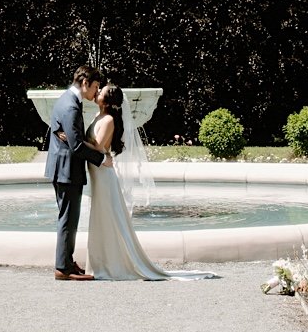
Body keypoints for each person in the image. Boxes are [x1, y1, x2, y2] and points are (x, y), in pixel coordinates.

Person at [83, 83, 217, 281]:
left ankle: (111, 264)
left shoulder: (109, 119)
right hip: (97, 172)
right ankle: (100, 262)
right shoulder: (98, 116)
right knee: (101, 219)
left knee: (109, 219)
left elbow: (99, 146)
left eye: (101, 91)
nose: (98, 92)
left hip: (103, 176)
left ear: (108, 100)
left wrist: (72, 140)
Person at [43, 64, 108, 281]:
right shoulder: (70, 106)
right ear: (84, 82)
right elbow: (77, 146)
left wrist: (72, 139)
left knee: (69, 218)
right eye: (95, 86)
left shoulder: (66, 100)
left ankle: (68, 262)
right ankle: (63, 268)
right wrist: (102, 159)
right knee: (68, 219)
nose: (96, 92)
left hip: (64, 169)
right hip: (67, 171)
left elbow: (70, 139)